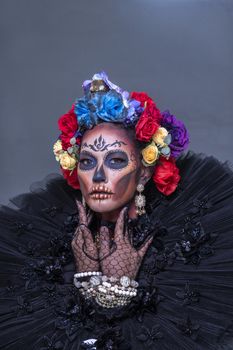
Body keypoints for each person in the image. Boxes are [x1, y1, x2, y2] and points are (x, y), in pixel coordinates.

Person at [0, 72, 233, 350]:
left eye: (116, 160)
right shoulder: (46, 238)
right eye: (86, 162)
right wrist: (89, 279)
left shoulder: (186, 237)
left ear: (144, 173)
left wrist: (117, 289)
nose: (98, 176)